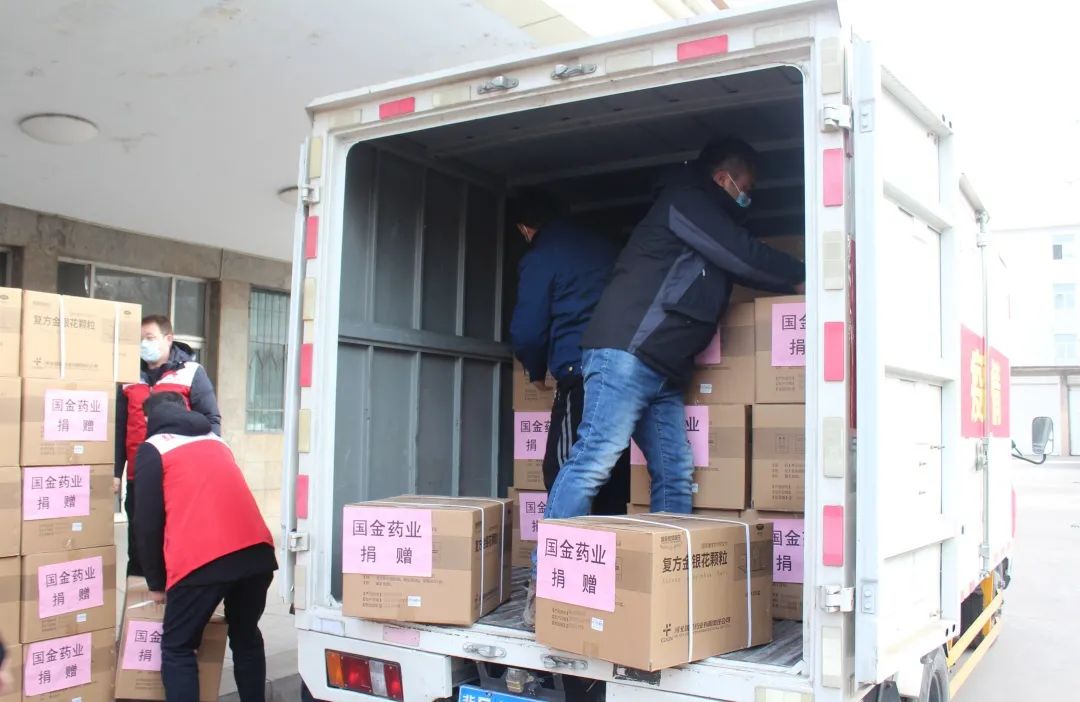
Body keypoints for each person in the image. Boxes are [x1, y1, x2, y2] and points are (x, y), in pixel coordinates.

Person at [527, 138, 805, 618]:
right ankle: (546, 581)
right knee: (592, 461)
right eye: (746, 188)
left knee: (674, 473)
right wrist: (803, 277)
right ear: (723, 178)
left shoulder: (703, 211)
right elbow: (742, 255)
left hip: (661, 368)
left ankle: (664, 586)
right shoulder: (686, 202)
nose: (748, 198)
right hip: (625, 355)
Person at [509, 192, 632, 627]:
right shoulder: (605, 245)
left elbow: (528, 329)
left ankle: (552, 586)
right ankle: (608, 583)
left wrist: (534, 369)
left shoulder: (543, 255)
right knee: (613, 477)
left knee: (564, 472)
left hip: (581, 374)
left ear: (526, 229)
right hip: (628, 371)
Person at [134, 392, 276, 702]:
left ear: (148, 419)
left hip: (201, 559)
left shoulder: (154, 448)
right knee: (246, 636)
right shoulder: (217, 441)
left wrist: (156, 582)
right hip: (257, 553)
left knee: (178, 647)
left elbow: (146, 523)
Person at [115, 314, 222, 577]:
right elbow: (119, 427)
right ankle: (141, 598)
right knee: (140, 543)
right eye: (140, 339)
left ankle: (177, 594)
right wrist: (116, 472)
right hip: (140, 476)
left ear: (168, 338)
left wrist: (207, 467)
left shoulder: (191, 372)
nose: (144, 344)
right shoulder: (128, 375)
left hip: (178, 476)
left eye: (150, 338)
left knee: (177, 542)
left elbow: (211, 421)